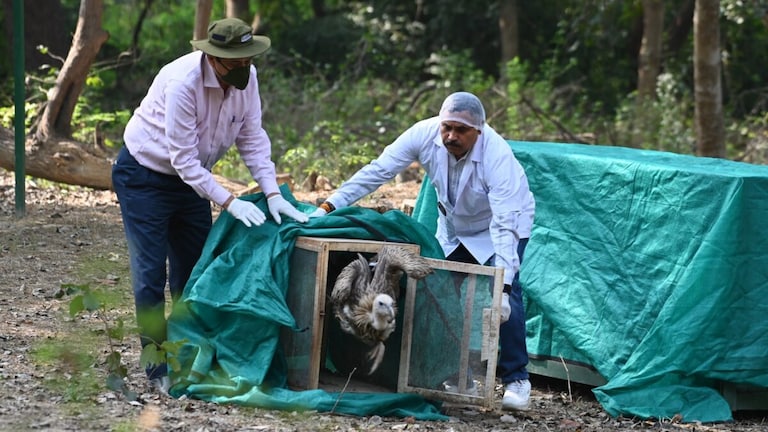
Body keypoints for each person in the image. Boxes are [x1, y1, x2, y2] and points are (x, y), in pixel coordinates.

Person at [112, 18, 308, 393]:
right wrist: (231, 202)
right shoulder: (183, 83)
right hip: (144, 177)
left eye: (248, 59)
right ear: (212, 58)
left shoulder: (248, 79)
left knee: (196, 273)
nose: (243, 68)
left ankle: (190, 357)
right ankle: (157, 368)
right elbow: (182, 158)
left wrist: (273, 193)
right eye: (234, 62)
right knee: (150, 274)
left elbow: (252, 137)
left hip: (193, 182)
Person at [309, 91, 535, 411]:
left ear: (479, 131)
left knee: (505, 297)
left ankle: (517, 379)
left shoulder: (497, 156)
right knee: (440, 292)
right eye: (447, 128)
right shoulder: (423, 134)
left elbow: (505, 224)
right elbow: (378, 171)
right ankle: (458, 375)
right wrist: (328, 206)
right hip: (453, 226)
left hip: (501, 226)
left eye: (461, 130)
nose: (451, 136)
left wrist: (505, 284)